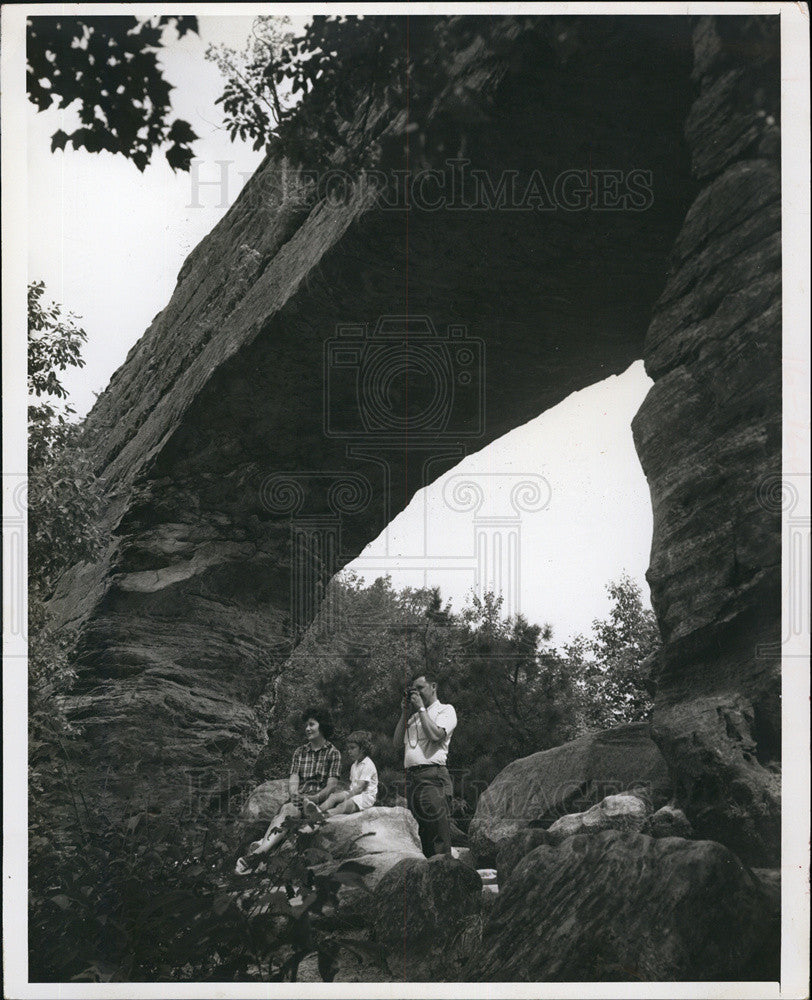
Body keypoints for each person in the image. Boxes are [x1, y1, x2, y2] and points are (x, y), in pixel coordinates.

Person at [235, 707, 340, 874]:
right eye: (306, 725)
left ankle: (259, 850)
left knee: (290, 812)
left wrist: (314, 798)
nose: (307, 728)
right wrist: (294, 794)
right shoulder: (300, 752)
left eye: (312, 724)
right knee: (287, 809)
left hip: (319, 799)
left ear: (323, 726)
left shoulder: (333, 753)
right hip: (299, 800)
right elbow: (294, 779)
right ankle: (258, 855)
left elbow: (331, 785)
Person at [392, 672, 457, 857]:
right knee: (422, 835)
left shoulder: (445, 710)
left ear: (434, 686)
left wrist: (421, 709)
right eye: (414, 690)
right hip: (413, 779)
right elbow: (396, 743)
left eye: (420, 688)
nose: (417, 693)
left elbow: (436, 735)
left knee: (438, 834)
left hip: (433, 776)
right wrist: (404, 713)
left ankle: (444, 877)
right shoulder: (413, 718)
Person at [318, 730, 379, 817]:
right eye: (348, 748)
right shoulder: (354, 765)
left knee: (343, 806)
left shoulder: (368, 764)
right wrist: (340, 795)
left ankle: (324, 816)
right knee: (333, 797)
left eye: (352, 748)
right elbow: (352, 786)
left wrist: (345, 798)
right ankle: (317, 811)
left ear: (363, 748)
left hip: (365, 798)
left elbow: (359, 788)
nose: (349, 751)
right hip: (355, 794)